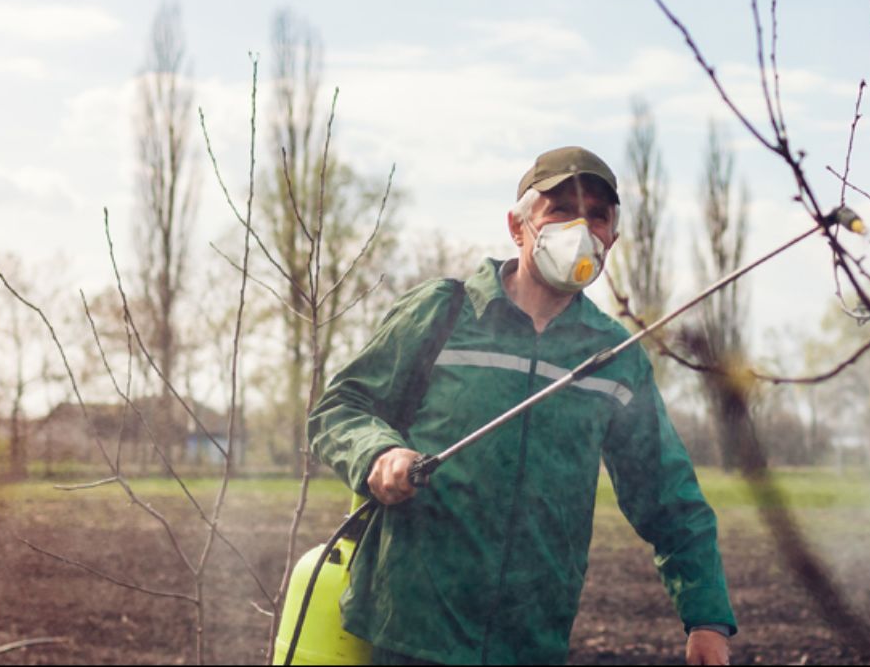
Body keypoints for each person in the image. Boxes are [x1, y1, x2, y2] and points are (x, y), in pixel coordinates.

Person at [309, 146, 736, 665]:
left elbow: (668, 496)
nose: (581, 229)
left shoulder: (614, 357)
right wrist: (379, 455)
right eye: (560, 211)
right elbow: (341, 408)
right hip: (411, 630)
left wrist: (707, 618)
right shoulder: (444, 312)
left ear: (612, 239)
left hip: (532, 639)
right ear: (518, 226)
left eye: (597, 217)